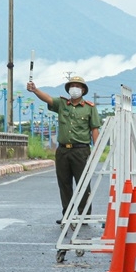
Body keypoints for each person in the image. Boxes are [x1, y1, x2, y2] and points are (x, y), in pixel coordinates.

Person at [27, 76, 101, 224]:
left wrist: (97, 150)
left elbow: (94, 129)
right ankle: (67, 214)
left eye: (77, 86)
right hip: (62, 151)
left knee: (83, 183)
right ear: (68, 89)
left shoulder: (89, 108)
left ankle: (83, 215)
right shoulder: (62, 104)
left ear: (83, 90)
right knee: (64, 183)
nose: (75, 88)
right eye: (72, 85)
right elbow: (47, 99)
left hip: (81, 150)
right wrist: (35, 90)